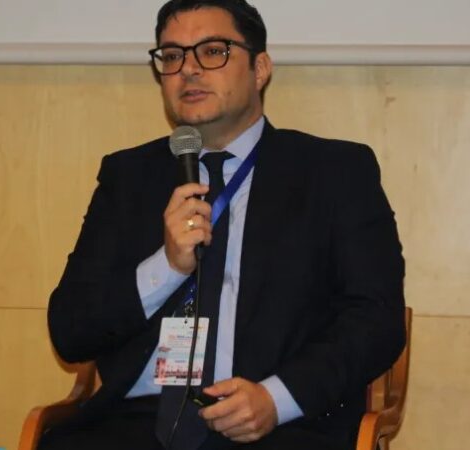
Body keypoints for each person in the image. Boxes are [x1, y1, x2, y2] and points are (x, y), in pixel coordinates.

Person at [40, 0, 406, 449]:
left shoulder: (333, 172)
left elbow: (376, 320)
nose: (189, 70)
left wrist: (277, 399)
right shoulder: (128, 177)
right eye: (172, 56)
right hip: (138, 423)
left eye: (213, 51)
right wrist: (167, 266)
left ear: (260, 68)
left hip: (278, 424)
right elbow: (71, 330)